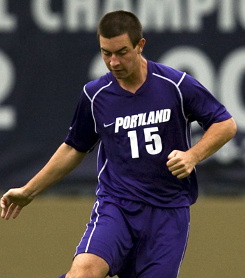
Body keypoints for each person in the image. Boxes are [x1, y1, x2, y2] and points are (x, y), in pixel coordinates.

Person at [1, 10, 237, 278]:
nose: (113, 62)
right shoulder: (95, 95)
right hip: (118, 206)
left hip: (168, 214)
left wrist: (193, 155)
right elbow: (73, 148)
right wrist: (28, 191)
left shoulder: (175, 84)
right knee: (83, 273)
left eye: (122, 52)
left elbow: (225, 124)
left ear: (140, 45)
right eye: (106, 53)